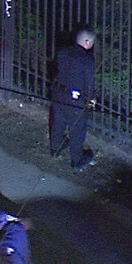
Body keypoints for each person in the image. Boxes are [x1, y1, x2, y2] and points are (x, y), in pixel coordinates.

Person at [50, 26, 97, 170]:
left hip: (59, 93)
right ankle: (77, 160)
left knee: (58, 121)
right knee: (77, 129)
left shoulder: (63, 52)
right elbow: (89, 83)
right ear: (87, 42)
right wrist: (91, 100)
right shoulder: (87, 60)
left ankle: (55, 148)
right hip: (75, 99)